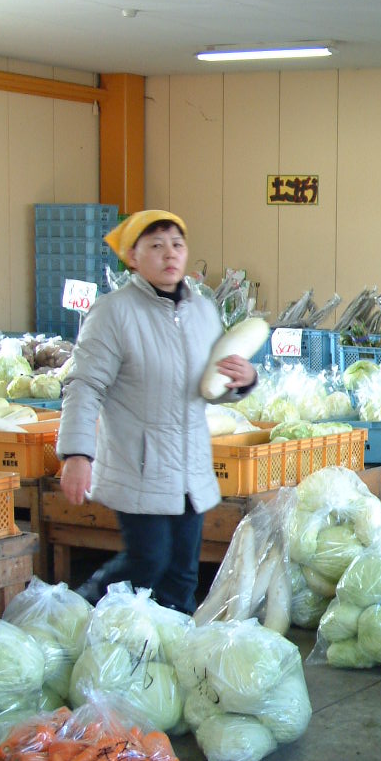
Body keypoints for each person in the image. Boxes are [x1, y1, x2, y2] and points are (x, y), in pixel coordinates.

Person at [56, 209, 258, 614]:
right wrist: (77, 454)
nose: (170, 254)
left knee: (182, 575)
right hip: (140, 467)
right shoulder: (113, 313)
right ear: (132, 257)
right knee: (148, 562)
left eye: (177, 244)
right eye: (156, 245)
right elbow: (85, 385)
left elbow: (209, 386)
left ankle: (170, 647)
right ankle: (77, 610)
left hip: (190, 468)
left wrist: (244, 380)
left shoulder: (202, 311)